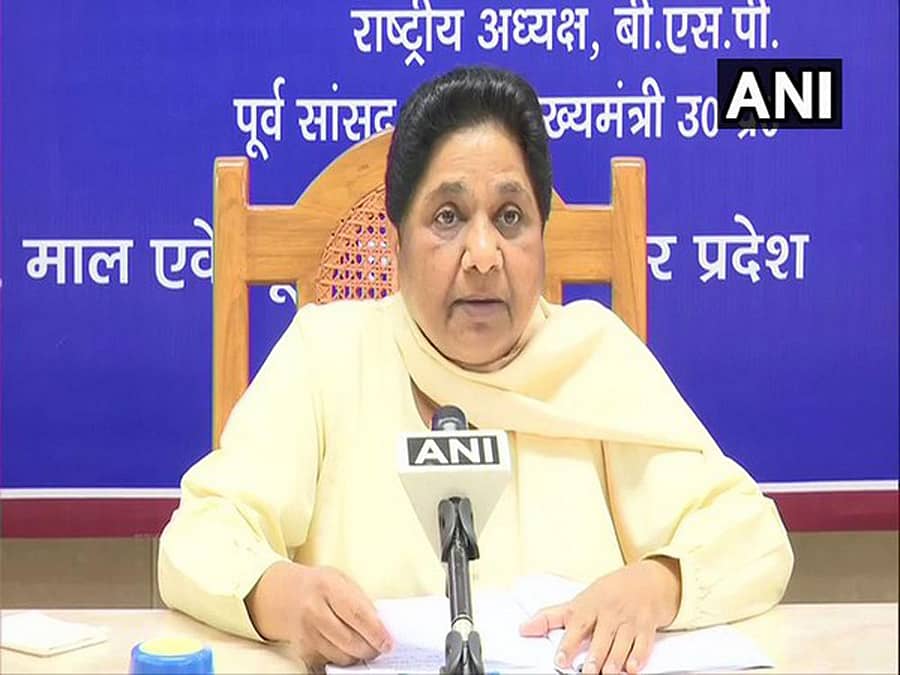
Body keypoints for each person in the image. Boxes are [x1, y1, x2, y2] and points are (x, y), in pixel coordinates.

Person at [158, 66, 793, 674]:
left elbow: (751, 537)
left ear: (541, 238)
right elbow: (198, 537)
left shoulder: (595, 358)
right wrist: (280, 595)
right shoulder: (327, 355)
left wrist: (658, 585)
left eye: (511, 217)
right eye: (448, 217)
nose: (484, 255)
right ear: (397, 243)